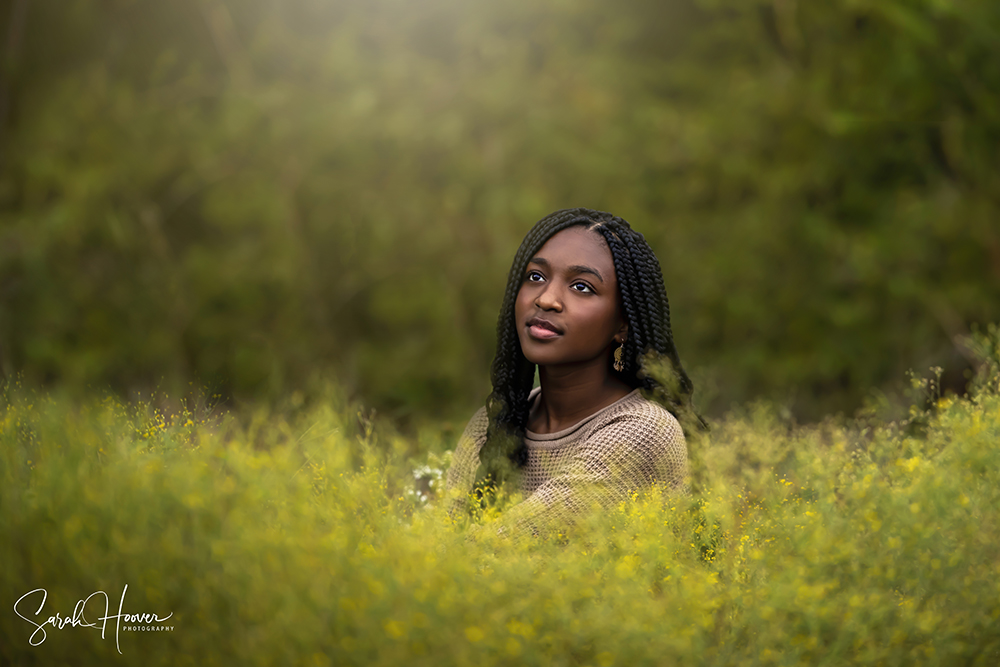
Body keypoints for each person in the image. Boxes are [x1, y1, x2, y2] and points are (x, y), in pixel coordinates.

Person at [445, 208, 699, 536]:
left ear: (623, 324)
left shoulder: (644, 432)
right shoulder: (490, 426)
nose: (547, 299)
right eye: (535, 277)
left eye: (582, 287)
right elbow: (443, 550)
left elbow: (492, 549)